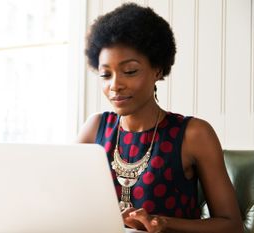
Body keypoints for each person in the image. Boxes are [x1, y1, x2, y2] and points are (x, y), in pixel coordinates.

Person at [77, 3, 243, 233]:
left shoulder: (194, 134)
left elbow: (231, 225)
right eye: (106, 74)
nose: (115, 85)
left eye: (130, 71)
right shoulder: (94, 129)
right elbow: (67, 204)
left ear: (157, 69)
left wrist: (164, 223)